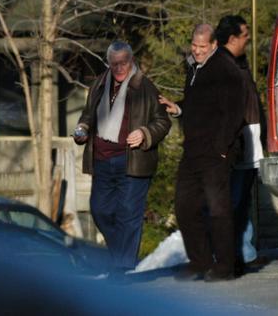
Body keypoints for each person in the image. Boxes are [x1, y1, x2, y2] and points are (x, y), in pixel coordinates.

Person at [73, 41, 171, 276]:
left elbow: (163, 121)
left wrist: (145, 133)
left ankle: (121, 269)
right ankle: (122, 255)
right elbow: (89, 114)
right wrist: (83, 128)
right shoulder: (99, 84)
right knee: (100, 210)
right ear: (108, 62)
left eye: (123, 63)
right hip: (101, 160)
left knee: (128, 212)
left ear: (131, 61)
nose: (118, 68)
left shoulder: (145, 87)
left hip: (132, 160)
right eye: (114, 63)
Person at [159, 24, 246, 282]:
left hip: (216, 151)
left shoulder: (225, 69)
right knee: (184, 206)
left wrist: (222, 147)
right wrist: (178, 108)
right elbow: (198, 104)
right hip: (193, 149)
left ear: (214, 45)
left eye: (202, 47)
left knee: (218, 209)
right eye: (194, 46)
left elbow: (234, 111)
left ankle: (225, 266)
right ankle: (200, 261)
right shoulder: (194, 68)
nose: (197, 51)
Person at [215, 15, 265, 276]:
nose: (248, 39)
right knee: (232, 201)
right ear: (232, 38)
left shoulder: (239, 63)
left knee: (242, 200)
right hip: (233, 144)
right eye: (244, 35)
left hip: (248, 140)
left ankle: (244, 252)